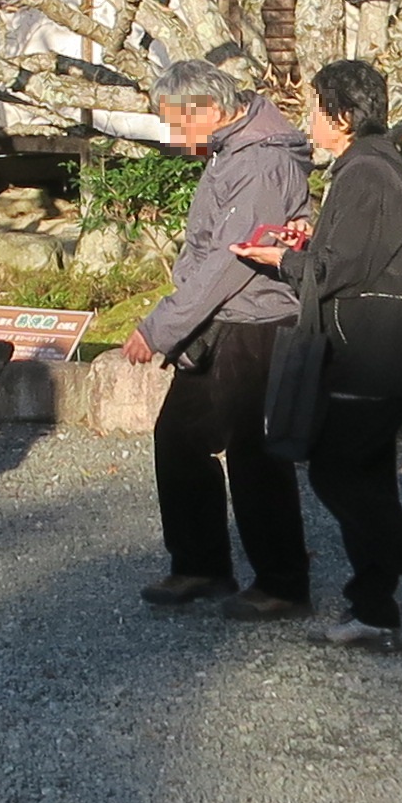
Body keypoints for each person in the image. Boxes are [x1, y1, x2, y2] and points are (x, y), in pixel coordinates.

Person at [278, 58, 402, 651]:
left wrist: (279, 261)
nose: (309, 121)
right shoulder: (383, 161)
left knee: (336, 475)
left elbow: (338, 270)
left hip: (367, 348)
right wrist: (312, 243)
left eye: (315, 109)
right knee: (369, 480)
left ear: (340, 114)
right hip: (384, 348)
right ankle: (374, 607)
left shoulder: (363, 170)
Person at [117, 59, 311, 617]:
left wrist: (158, 328)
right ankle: (200, 566)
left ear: (208, 108)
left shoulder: (262, 162)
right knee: (179, 438)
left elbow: (230, 262)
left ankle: (282, 582)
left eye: (179, 124)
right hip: (223, 320)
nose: (177, 138)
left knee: (255, 456)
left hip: (257, 323)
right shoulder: (237, 150)